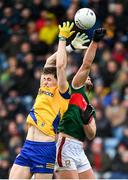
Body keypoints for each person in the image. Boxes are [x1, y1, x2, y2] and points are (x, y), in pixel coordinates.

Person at [9, 22, 90, 179]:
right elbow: (50, 62)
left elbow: (59, 66)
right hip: (28, 147)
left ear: (57, 80)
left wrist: (62, 38)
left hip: (45, 148)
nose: (44, 81)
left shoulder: (62, 92)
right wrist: (70, 47)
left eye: (48, 79)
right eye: (43, 78)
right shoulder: (43, 88)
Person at [55, 27, 106, 179]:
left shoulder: (88, 106)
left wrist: (85, 122)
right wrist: (95, 42)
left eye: (89, 77)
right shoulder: (76, 88)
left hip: (79, 149)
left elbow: (91, 134)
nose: (88, 76)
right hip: (66, 144)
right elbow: (86, 64)